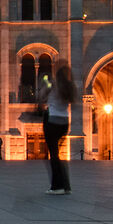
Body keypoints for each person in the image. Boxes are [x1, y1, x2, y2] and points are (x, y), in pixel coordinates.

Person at [42, 61, 77, 193]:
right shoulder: (69, 88)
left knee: (54, 155)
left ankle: (57, 186)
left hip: (52, 121)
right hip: (64, 122)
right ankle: (66, 186)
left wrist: (45, 82)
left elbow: (42, 96)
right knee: (59, 155)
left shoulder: (53, 86)